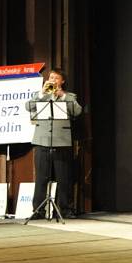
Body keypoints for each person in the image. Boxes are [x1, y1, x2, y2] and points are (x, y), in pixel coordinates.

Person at [25, 68, 82, 219]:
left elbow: (77, 111)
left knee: (64, 178)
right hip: (42, 141)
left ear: (62, 81)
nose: (53, 80)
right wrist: (42, 94)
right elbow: (28, 107)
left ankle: (65, 209)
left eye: (56, 78)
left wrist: (62, 95)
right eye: (50, 77)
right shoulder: (40, 95)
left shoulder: (69, 96)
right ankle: (38, 210)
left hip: (62, 142)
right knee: (41, 178)